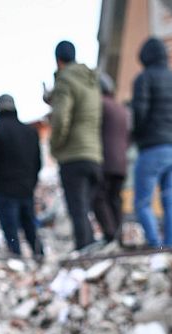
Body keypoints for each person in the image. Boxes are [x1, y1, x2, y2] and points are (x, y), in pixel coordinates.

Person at [131, 37, 172, 248]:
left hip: (153, 148)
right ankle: (170, 246)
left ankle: (155, 245)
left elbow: (139, 112)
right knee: (171, 201)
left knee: (142, 203)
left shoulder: (144, 79)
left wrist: (136, 136)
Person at [47, 39, 103, 251]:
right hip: (94, 154)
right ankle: (90, 247)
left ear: (58, 60)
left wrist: (55, 146)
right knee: (85, 207)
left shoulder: (65, 80)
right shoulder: (91, 81)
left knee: (77, 208)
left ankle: (85, 251)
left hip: (74, 154)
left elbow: (61, 118)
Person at [0, 94, 43, 258]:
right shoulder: (30, 131)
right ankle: (39, 255)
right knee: (29, 224)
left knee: (10, 228)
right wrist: (32, 183)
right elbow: (38, 162)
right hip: (26, 188)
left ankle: (17, 259)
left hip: (5, 190)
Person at [93, 73, 129, 244]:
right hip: (121, 162)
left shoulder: (100, 105)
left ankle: (110, 234)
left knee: (99, 197)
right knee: (115, 199)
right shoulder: (120, 108)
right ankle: (118, 236)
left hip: (106, 161)